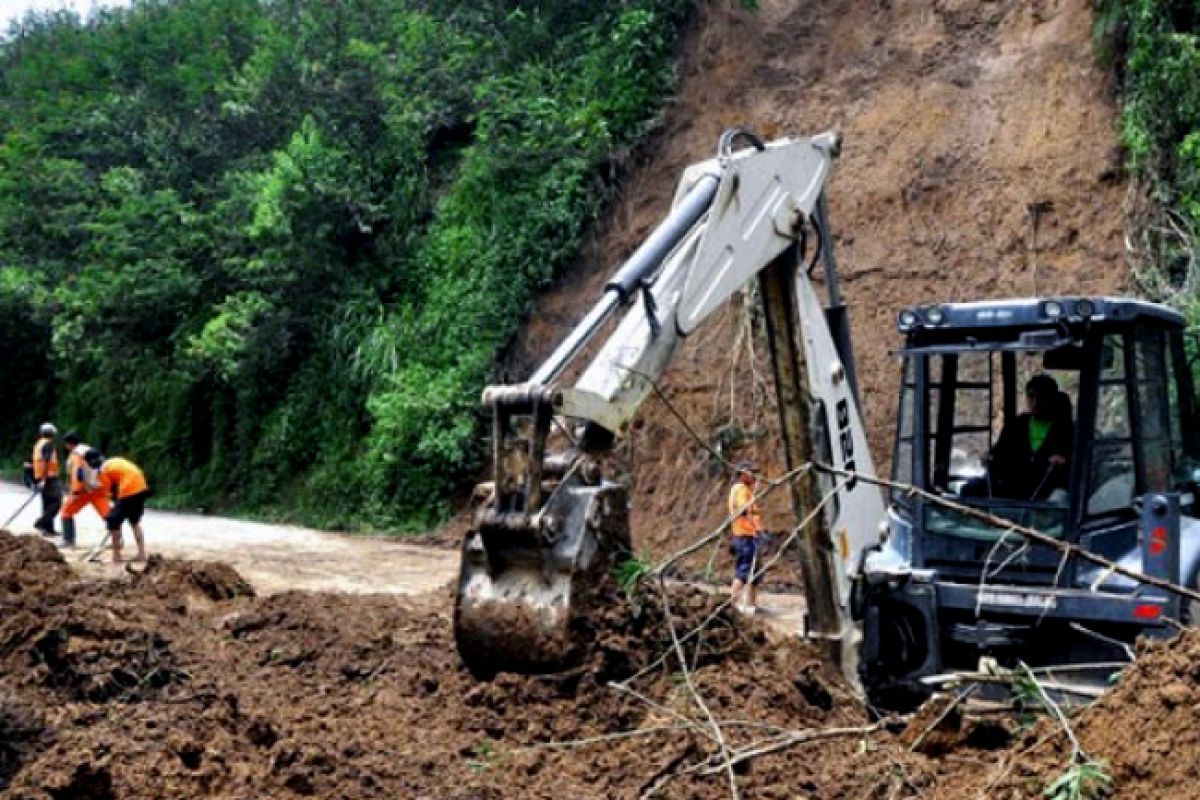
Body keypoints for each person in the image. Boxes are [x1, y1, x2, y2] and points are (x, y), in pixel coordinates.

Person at [987, 374, 1073, 501]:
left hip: (1047, 491)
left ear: (1052, 399)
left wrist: (1064, 462)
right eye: (1031, 397)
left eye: (1041, 397)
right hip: (1012, 489)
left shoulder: (1066, 428)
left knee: (1059, 499)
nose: (1035, 403)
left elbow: (1079, 463)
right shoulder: (1016, 424)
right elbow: (999, 452)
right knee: (970, 490)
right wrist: (989, 457)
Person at [86, 450, 149, 563]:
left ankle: (116, 556)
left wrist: (92, 486)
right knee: (134, 521)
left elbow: (106, 491)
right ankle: (142, 554)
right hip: (141, 487)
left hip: (128, 490)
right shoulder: (114, 461)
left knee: (113, 521)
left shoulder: (103, 470)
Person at [59, 431, 111, 548]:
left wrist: (75, 491)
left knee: (66, 512)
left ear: (69, 444)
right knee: (108, 515)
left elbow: (78, 473)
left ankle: (68, 540)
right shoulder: (89, 450)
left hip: (84, 490)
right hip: (99, 488)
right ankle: (117, 539)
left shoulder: (76, 454)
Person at [727, 462, 764, 615]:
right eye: (752, 473)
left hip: (750, 535)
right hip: (745, 536)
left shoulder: (743, 490)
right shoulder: (741, 490)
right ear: (743, 474)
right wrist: (754, 528)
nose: (755, 476)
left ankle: (751, 605)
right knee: (744, 570)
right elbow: (743, 510)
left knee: (755, 572)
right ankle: (731, 605)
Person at [29, 422, 62, 537]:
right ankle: (41, 523)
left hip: (41, 477)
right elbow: (46, 460)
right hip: (49, 477)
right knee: (56, 502)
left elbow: (33, 462)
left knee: (47, 504)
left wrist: (37, 479)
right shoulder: (48, 444)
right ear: (52, 433)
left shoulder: (38, 444)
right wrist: (43, 478)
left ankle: (49, 529)